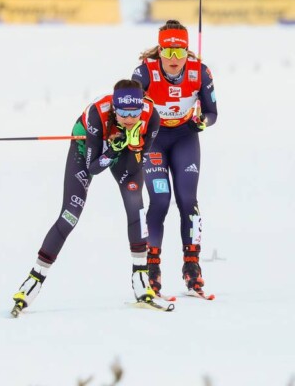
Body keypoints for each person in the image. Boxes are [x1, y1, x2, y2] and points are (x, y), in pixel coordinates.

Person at [11, 79, 161, 315]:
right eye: (123, 112)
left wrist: (132, 148)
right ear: (114, 107)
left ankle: (141, 278)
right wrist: (112, 149)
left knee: (136, 205)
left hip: (121, 152)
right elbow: (93, 167)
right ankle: (33, 281)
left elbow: (138, 162)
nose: (130, 118)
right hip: (86, 152)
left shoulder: (152, 116)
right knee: (70, 215)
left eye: (135, 112)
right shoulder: (97, 114)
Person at [132, 19, 218, 298]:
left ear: (187, 52)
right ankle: (152, 267)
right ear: (159, 51)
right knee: (159, 200)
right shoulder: (144, 72)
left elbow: (213, 112)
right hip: (154, 141)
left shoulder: (200, 72)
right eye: (167, 52)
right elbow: (129, 105)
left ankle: (192, 265)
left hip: (184, 138)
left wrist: (201, 120)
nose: (173, 59)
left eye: (179, 53)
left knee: (187, 200)